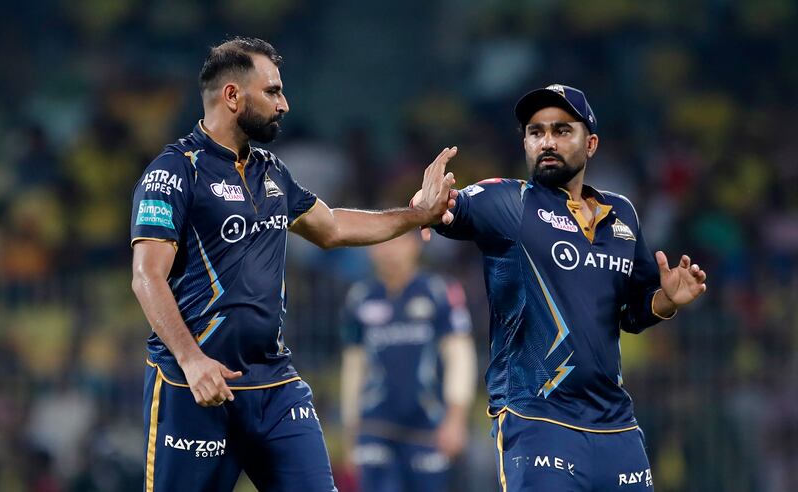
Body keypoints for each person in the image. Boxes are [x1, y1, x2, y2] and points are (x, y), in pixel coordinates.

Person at [130, 37, 457, 492]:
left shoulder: (272, 172)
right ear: (232, 96)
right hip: (196, 388)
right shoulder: (173, 172)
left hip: (274, 386)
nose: (284, 104)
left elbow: (334, 227)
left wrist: (417, 215)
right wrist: (191, 360)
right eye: (273, 91)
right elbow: (146, 276)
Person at [420, 84, 708, 491]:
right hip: (537, 420)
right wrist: (429, 206)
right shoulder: (509, 202)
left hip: (617, 429)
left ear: (590, 144)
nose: (547, 142)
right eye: (536, 133)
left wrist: (665, 302)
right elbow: (453, 208)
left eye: (561, 130)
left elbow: (632, 313)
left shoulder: (621, 215)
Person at [340, 231, 477, 492]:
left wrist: (456, 418)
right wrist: (350, 430)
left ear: (415, 245)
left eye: (397, 240)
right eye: (380, 241)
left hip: (427, 429)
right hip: (375, 427)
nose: (388, 250)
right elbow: (353, 366)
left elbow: (460, 356)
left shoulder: (439, 291)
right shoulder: (360, 297)